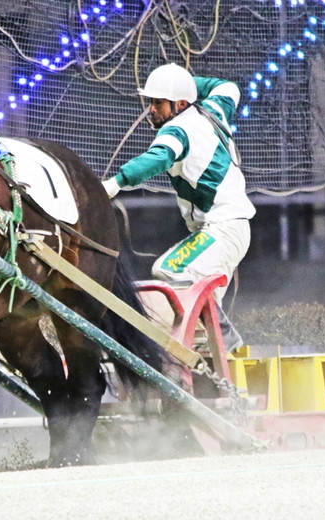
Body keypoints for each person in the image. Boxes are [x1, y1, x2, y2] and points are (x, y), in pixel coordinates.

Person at [102, 63, 255, 351]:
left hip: (222, 231)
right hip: (228, 229)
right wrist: (182, 84)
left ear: (180, 104)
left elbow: (157, 158)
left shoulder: (177, 130)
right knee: (199, 307)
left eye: (158, 103)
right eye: (151, 101)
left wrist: (114, 183)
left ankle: (225, 336)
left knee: (170, 269)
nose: (151, 109)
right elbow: (228, 87)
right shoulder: (214, 109)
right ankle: (213, 354)